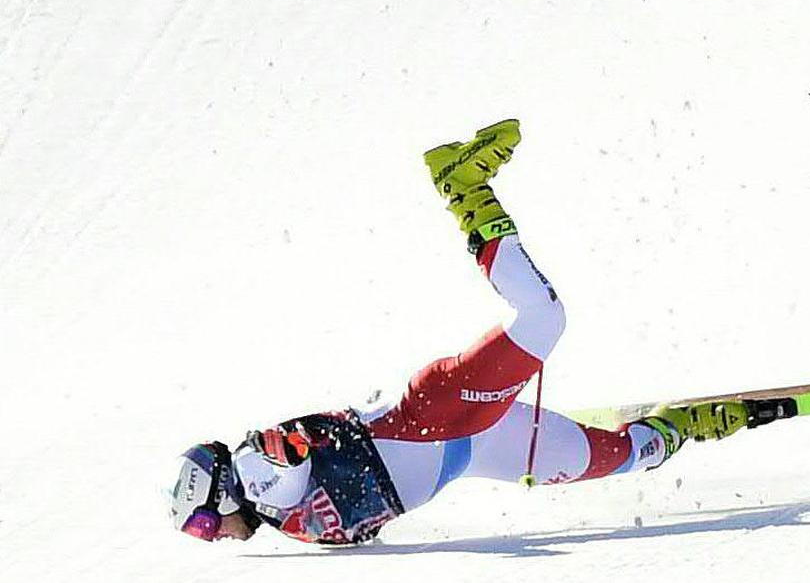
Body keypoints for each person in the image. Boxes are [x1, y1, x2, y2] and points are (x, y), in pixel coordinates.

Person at [167, 119, 748, 545]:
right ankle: (683, 426)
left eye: (204, 524)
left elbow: (285, 454)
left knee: (544, 318)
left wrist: (284, 448)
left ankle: (464, 187)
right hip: (469, 448)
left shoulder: (256, 475)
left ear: (222, 491)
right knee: (615, 458)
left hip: (437, 417)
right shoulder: (274, 514)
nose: (212, 536)